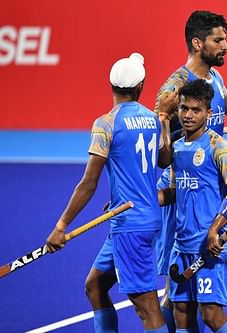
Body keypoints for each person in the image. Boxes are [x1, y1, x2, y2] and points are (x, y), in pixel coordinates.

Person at [45, 53, 171, 333]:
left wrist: (61, 225)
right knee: (95, 286)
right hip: (134, 218)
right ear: (140, 87)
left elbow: (89, 183)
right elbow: (164, 160)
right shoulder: (152, 119)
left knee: (146, 306)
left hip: (130, 224)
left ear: (111, 86)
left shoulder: (106, 124)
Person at [154, 11, 227, 332]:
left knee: (190, 292)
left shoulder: (214, 78)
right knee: (177, 286)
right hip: (184, 193)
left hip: (212, 190)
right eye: (218, 40)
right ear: (198, 43)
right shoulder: (174, 87)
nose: (226, 46)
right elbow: (159, 141)